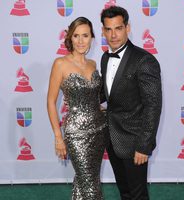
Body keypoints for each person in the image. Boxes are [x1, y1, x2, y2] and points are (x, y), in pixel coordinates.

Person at [100, 6, 162, 200]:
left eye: (118, 28)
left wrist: (144, 146)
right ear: (103, 31)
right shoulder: (104, 57)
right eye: (108, 29)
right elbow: (108, 91)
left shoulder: (144, 60)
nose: (113, 34)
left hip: (135, 142)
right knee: (125, 192)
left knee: (138, 195)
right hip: (112, 139)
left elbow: (153, 106)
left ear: (128, 28)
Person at [47, 17, 106, 200]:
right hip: (76, 133)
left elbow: (94, 97)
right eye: (76, 36)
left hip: (99, 130)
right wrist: (58, 137)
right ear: (70, 38)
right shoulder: (60, 63)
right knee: (88, 182)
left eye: (85, 36)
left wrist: (100, 109)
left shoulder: (93, 64)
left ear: (92, 38)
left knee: (88, 181)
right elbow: (50, 101)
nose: (81, 41)